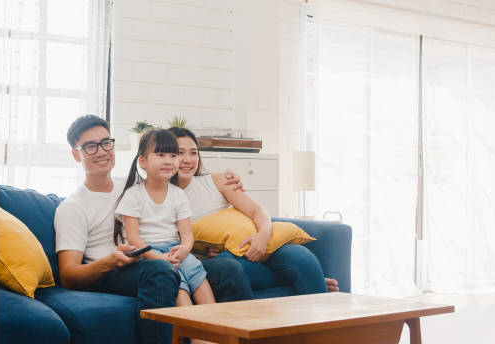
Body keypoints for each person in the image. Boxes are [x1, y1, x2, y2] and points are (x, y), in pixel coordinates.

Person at [54, 115, 251, 344]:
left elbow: (172, 179)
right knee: (161, 271)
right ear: (76, 154)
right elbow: (68, 276)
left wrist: (226, 180)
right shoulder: (73, 207)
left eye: (106, 143)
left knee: (227, 268)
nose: (101, 151)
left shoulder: (132, 185)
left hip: (157, 256)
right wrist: (110, 261)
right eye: (90, 147)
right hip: (113, 272)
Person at [168, 127, 340, 295]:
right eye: (180, 152)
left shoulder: (218, 181)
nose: (188, 160)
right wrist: (203, 253)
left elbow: (257, 211)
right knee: (231, 267)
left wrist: (263, 236)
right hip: (225, 257)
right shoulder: (161, 196)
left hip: (258, 244)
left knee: (301, 256)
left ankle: (317, 299)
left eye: (193, 153)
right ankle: (307, 280)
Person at [114, 129, 216, 309]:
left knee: (196, 272)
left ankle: (215, 325)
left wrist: (185, 249)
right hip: (146, 252)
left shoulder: (178, 195)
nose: (168, 160)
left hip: (174, 247)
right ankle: (194, 333)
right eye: (160, 154)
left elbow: (186, 233)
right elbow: (133, 237)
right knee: (177, 279)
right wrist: (156, 256)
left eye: (173, 155)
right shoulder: (133, 195)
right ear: (143, 161)